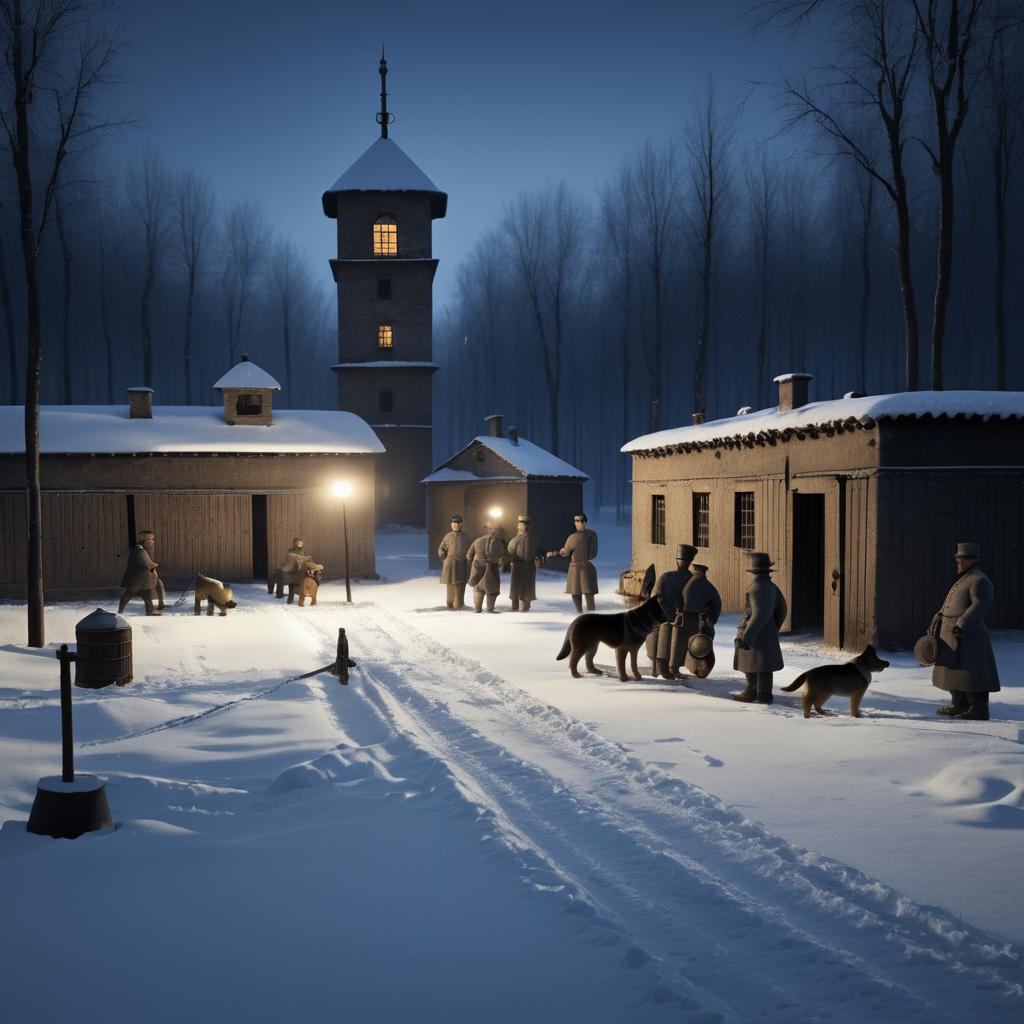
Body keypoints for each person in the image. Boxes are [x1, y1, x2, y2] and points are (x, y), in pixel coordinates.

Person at [931, 542, 1001, 721]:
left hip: (969, 635)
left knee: (972, 672)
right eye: (958, 559)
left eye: (963, 559)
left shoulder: (979, 580)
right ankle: (959, 703)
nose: (959, 562)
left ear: (973, 560)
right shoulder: (964, 578)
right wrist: (937, 622)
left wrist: (962, 624)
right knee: (953, 672)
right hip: (951, 634)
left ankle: (979, 709)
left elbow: (980, 605)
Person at [731, 551, 787, 704]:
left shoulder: (757, 587)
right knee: (763, 665)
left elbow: (758, 615)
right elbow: (783, 609)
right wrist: (774, 626)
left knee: (755, 663)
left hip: (754, 632)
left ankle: (755, 692)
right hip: (766, 631)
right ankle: (761, 693)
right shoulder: (771, 587)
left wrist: (747, 637)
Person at [647, 544, 697, 679]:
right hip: (679, 619)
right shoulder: (692, 579)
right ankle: (672, 668)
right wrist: (674, 615)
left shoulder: (665, 577)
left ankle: (656, 669)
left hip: (660, 617)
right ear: (690, 562)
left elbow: (654, 598)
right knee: (676, 640)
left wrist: (668, 614)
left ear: (677, 560)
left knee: (659, 636)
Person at [674, 562, 722, 677]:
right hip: (703, 623)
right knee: (704, 648)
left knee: (685, 646)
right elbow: (717, 604)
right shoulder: (709, 586)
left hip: (685, 620)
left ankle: (691, 668)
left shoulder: (685, 585)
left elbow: (677, 600)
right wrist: (711, 621)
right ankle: (702, 670)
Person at [548, 513, 598, 612]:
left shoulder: (591, 535)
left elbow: (593, 552)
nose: (577, 524)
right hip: (574, 569)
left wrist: (584, 558)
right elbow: (566, 552)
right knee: (575, 593)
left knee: (588, 593)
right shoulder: (572, 537)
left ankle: (591, 614)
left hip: (586, 568)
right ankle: (579, 612)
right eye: (576, 522)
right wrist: (559, 552)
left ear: (584, 522)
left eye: (579, 522)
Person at [118, 529, 165, 616]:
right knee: (130, 593)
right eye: (149, 540)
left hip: (141, 579)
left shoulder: (140, 549)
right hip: (137, 579)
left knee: (145, 594)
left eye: (152, 539)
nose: (152, 542)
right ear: (144, 541)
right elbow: (146, 563)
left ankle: (149, 611)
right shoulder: (140, 550)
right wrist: (154, 565)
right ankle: (120, 610)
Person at [506, 515, 545, 612]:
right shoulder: (535, 540)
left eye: (519, 524)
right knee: (525, 592)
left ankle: (518, 609)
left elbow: (510, 552)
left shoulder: (515, 540)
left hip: (521, 568)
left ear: (523, 526)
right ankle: (522, 609)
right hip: (525, 569)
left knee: (518, 592)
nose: (518, 526)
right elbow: (540, 554)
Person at [467, 522, 507, 613]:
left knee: (477, 590)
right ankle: (490, 609)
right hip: (491, 573)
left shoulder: (477, 540)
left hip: (478, 572)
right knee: (492, 592)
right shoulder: (499, 543)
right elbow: (503, 558)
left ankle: (477, 609)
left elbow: (468, 556)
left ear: (487, 530)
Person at [438, 515, 470, 610]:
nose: (456, 525)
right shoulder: (447, 536)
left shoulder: (465, 537)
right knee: (450, 585)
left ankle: (458, 604)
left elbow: (469, 551)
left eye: (458, 523)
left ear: (461, 524)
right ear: (451, 524)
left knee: (460, 586)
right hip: (450, 565)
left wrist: (468, 561)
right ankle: (450, 603)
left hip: (461, 565)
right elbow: (441, 550)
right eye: (454, 523)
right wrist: (446, 559)